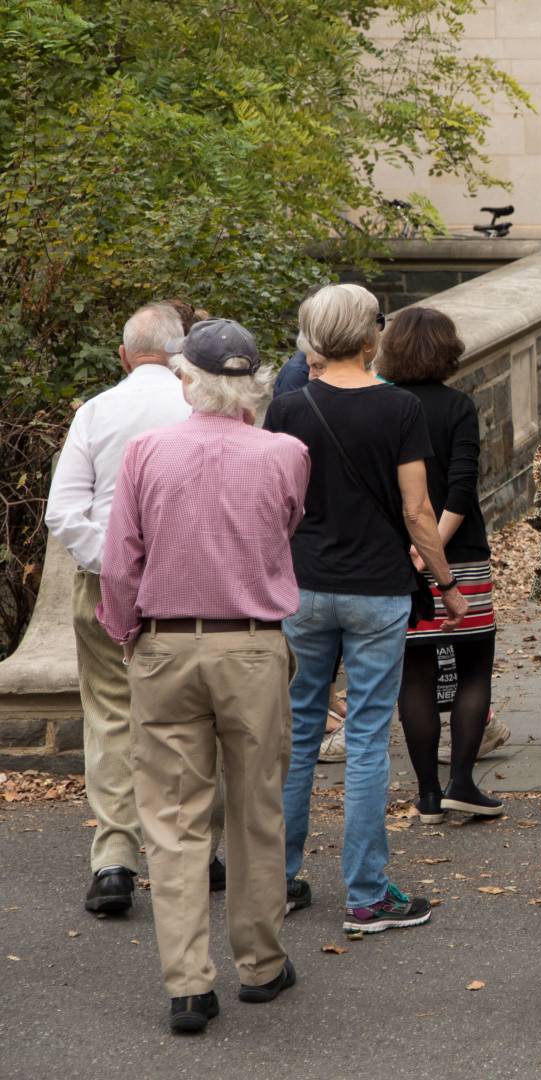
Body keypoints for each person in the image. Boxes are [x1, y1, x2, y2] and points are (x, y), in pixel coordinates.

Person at [94, 318, 310, 1033]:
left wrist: (126, 634)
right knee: (257, 808)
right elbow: (283, 534)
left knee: (174, 819)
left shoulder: (148, 451)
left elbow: (122, 559)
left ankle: (188, 983)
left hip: (165, 643)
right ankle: (261, 961)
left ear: (188, 380)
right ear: (252, 385)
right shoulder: (286, 453)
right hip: (251, 645)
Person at [264, 283, 469, 932]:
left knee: (299, 732)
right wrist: (447, 584)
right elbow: (416, 511)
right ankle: (366, 894)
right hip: (378, 588)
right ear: (366, 336)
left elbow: (276, 508)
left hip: (306, 585)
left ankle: (282, 879)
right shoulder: (400, 408)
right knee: (367, 738)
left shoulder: (287, 410)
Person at [44, 302, 216, 917]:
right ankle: (198, 848)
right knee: (190, 718)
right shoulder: (202, 408)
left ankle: (115, 859)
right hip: (191, 591)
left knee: (113, 717)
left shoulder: (96, 412)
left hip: (103, 588)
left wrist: (116, 564)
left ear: (123, 355)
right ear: (181, 354)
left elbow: (62, 511)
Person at [379, 307, 503, 822]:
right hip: (464, 553)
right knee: (474, 668)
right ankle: (462, 783)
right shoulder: (459, 406)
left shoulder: (383, 405)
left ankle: (427, 795)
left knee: (416, 674)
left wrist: (414, 546)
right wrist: (435, 546)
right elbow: (461, 485)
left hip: (397, 555)